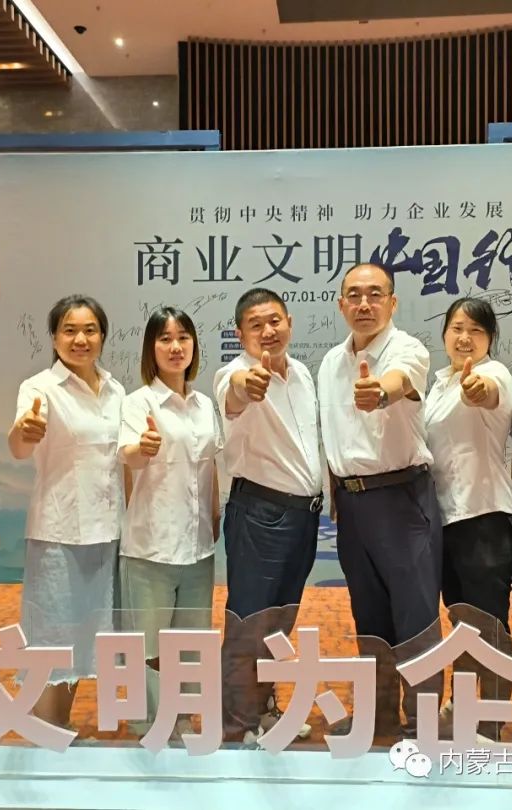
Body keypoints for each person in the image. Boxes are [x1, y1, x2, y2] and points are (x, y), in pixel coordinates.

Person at [317, 262, 443, 740]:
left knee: (416, 615)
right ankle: (380, 714)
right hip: (352, 506)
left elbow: (398, 381)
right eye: (354, 295)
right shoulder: (331, 363)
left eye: (375, 294)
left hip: (402, 499)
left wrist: (380, 393)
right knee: (367, 614)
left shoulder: (407, 349)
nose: (364, 304)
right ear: (340, 304)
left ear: (393, 302)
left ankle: (424, 721)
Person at [7, 295, 125, 731]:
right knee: (52, 635)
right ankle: (47, 730)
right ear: (54, 338)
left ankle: (61, 726)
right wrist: (25, 431)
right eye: (69, 330)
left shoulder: (116, 390)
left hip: (106, 531)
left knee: (86, 635)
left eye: (90, 330)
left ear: (102, 336)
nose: (80, 339)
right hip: (58, 531)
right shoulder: (39, 388)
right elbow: (19, 446)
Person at [214, 288, 322, 746]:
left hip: (303, 516)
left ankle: (261, 711)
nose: (268, 331)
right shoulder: (233, 373)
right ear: (241, 334)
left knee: (277, 624)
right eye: (255, 325)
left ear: (290, 323)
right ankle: (233, 727)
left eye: (274, 321)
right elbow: (236, 393)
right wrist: (248, 385)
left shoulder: (303, 374)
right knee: (249, 623)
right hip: (260, 514)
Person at [118, 306, 221, 735]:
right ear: (151, 348)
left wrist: (215, 516)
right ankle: (148, 723)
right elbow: (127, 455)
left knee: (190, 643)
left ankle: (181, 717)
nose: (175, 346)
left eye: (183, 337)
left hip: (198, 545)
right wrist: (142, 447)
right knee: (148, 645)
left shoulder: (204, 404)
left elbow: (212, 467)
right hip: (151, 545)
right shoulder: (137, 402)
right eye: (164, 338)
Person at [424, 297, 512, 742]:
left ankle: (492, 723)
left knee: (489, 623)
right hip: (445, 518)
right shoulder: (437, 384)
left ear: (490, 339)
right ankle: (461, 706)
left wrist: (476, 389)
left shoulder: (494, 373)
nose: (465, 338)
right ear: (444, 333)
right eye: (457, 328)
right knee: (462, 622)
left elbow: (486, 391)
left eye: (476, 331)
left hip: (484, 515)